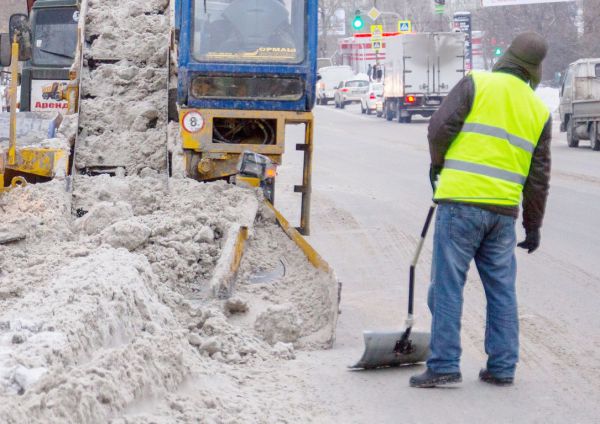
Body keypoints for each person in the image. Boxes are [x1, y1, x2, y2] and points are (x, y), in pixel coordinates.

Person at [409, 32, 552, 388]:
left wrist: (437, 167)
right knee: (502, 290)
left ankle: (443, 365)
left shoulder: (477, 82)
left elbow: (439, 128)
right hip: (503, 213)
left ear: (507, 57)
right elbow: (538, 178)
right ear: (534, 69)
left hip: (460, 204)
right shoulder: (539, 111)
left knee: (447, 286)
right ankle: (502, 367)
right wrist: (533, 227)